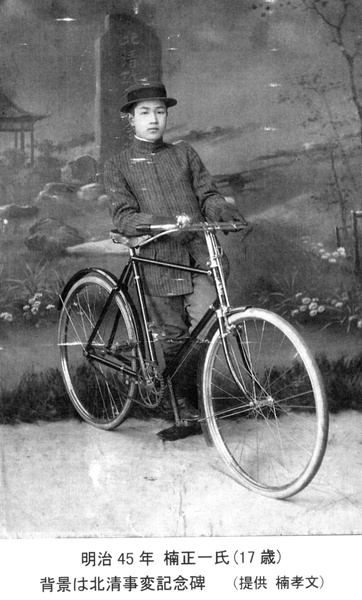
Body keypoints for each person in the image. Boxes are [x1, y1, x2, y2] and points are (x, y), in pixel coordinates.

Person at [103, 81, 245, 441]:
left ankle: (196, 400)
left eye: (160, 111)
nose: (154, 119)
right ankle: (182, 408)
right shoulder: (119, 165)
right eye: (145, 112)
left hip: (197, 255)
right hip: (157, 262)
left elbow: (207, 194)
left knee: (205, 326)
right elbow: (123, 216)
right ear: (130, 119)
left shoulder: (185, 154)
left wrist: (223, 212)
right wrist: (158, 222)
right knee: (173, 337)